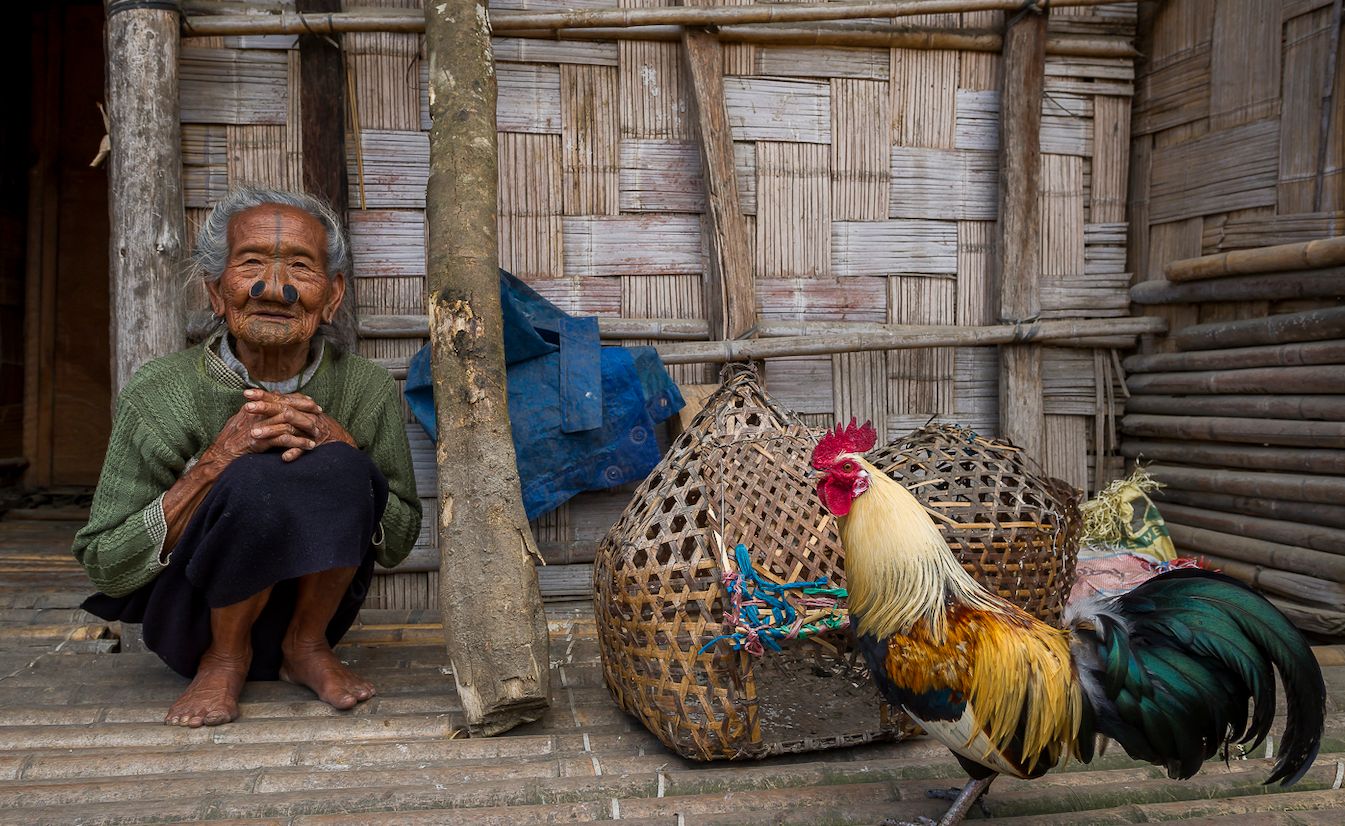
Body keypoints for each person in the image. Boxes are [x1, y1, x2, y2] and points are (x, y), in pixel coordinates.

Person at [73, 186, 422, 728]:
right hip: (193, 619)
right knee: (253, 476)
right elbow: (105, 561)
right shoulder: (160, 391)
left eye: (300, 267)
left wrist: (343, 446)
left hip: (313, 616)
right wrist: (215, 463)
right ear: (217, 292)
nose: (274, 288)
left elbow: (397, 542)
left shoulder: (365, 388)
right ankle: (225, 657)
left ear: (332, 297)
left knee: (343, 463)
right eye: (252, 263)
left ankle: (305, 647)